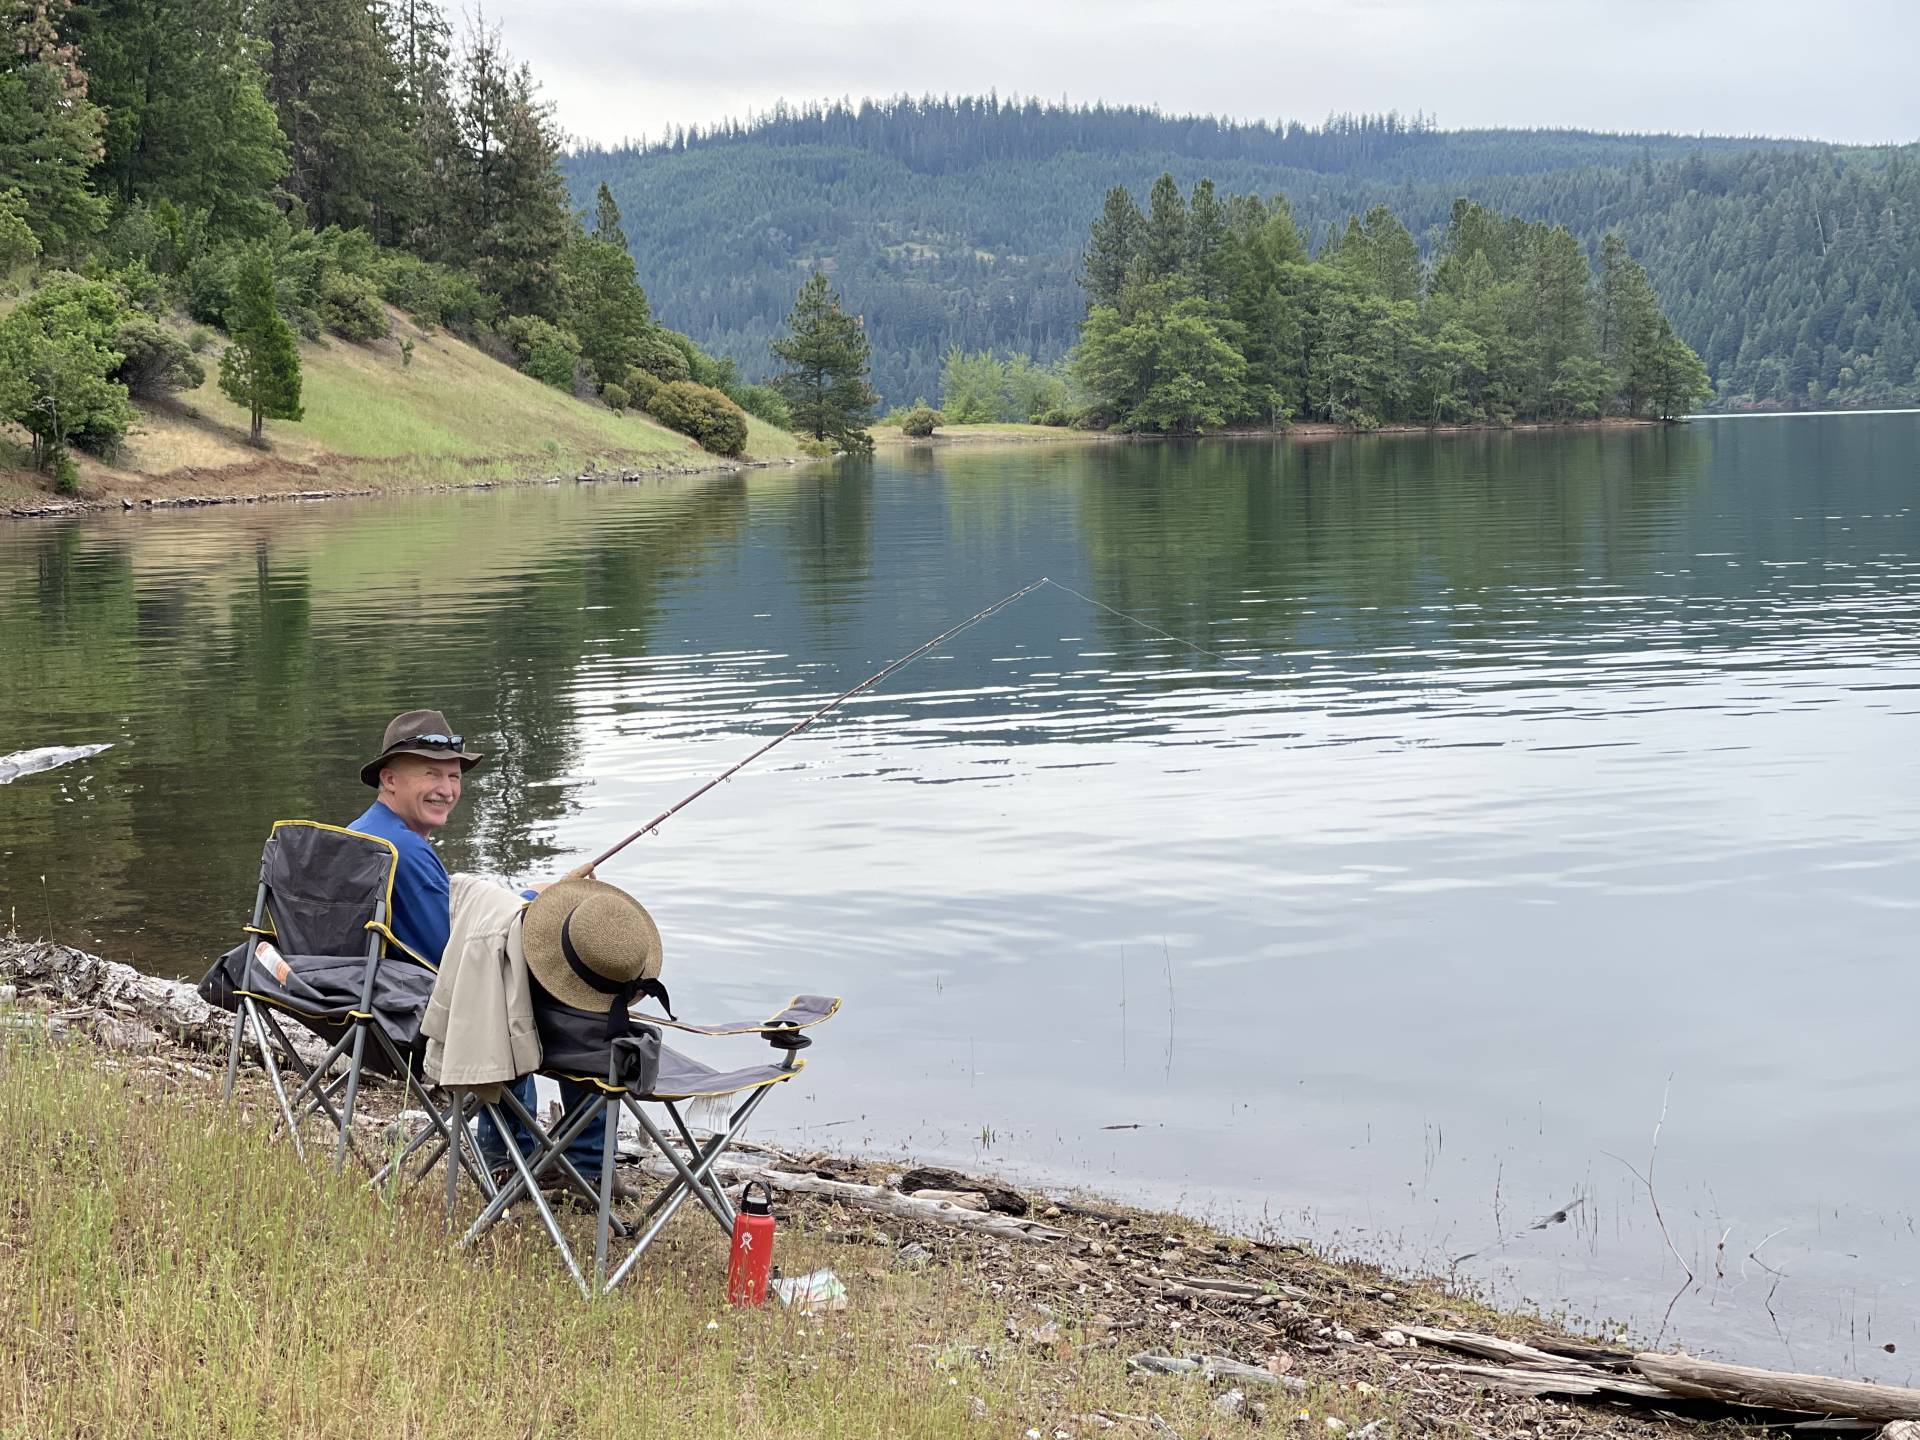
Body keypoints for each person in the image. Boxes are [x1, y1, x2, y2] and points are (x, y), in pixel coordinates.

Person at [351, 709, 621, 1195]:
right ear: (389, 779)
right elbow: (456, 956)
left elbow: (443, 930)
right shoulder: (405, 852)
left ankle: (523, 1155)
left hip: (362, 1005)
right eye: (430, 773)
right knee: (587, 1013)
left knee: (518, 996)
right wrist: (545, 907)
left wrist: (528, 899)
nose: (446, 789)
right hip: (423, 1022)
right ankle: (569, 1165)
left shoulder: (360, 834)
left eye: (453, 776)